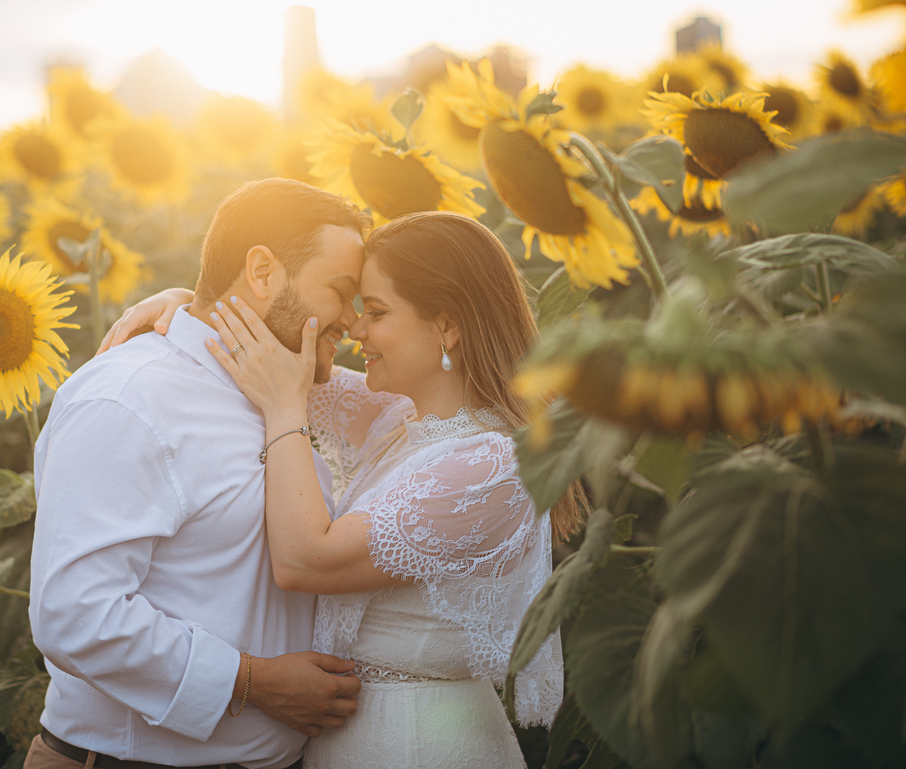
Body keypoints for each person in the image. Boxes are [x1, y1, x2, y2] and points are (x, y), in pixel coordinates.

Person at [105, 211, 583, 768]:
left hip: (420, 744)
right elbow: (268, 356)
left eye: (377, 312)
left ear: (447, 327)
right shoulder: (401, 419)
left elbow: (307, 561)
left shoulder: (493, 465)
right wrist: (195, 303)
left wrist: (283, 407)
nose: (355, 329)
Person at [27, 178, 373, 769]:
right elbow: (75, 612)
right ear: (262, 273)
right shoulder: (129, 398)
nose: (353, 321)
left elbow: (439, 398)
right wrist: (253, 682)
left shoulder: (283, 388)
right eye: (341, 293)